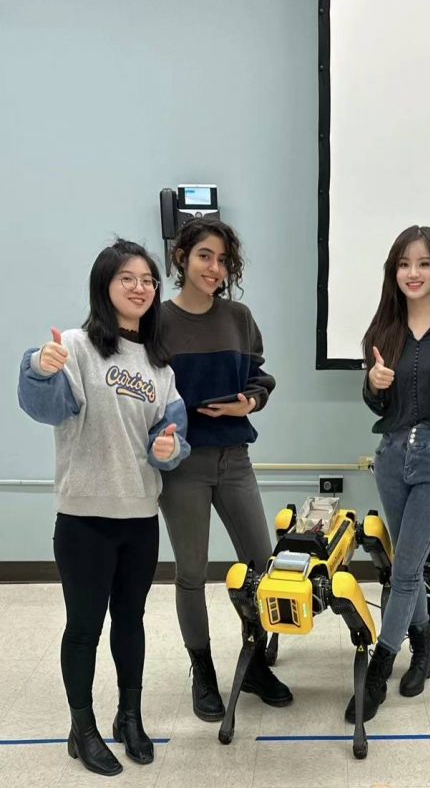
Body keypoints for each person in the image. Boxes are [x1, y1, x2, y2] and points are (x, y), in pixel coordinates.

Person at [18, 239, 190, 777]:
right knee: (85, 626)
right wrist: (39, 367)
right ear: (105, 286)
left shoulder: (161, 366)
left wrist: (169, 447)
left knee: (131, 622)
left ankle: (128, 717)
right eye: (128, 279)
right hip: (84, 520)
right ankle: (82, 727)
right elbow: (44, 407)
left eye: (148, 280)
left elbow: (174, 436)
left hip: (139, 519)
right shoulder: (75, 346)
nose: (140, 288)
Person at [344, 224, 430, 724]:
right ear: (394, 271)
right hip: (390, 458)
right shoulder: (381, 333)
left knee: (403, 571)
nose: (414, 272)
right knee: (410, 566)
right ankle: (424, 651)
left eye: (423, 263)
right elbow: (376, 404)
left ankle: (380, 671)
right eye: (404, 264)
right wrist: (373, 382)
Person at [158, 217, 292, 722]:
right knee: (191, 573)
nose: (214, 268)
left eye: (222, 260)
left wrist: (249, 404)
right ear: (181, 259)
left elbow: (260, 376)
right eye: (204, 257)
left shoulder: (238, 316)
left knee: (262, 566)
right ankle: (204, 672)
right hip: (183, 464)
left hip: (235, 457)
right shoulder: (159, 322)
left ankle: (255, 662)